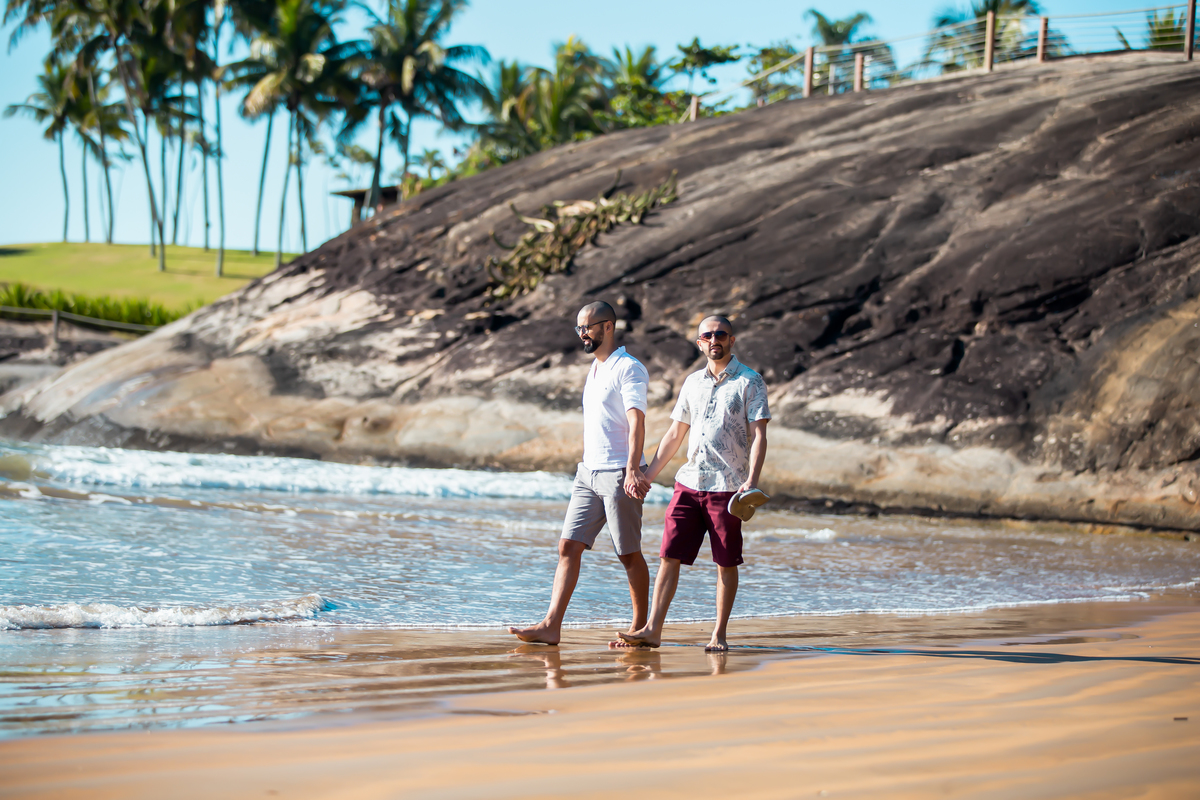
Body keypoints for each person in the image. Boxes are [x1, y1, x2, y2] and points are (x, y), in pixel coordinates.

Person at [617, 314, 770, 652]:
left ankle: (719, 634)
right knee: (669, 555)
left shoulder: (750, 381)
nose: (714, 339)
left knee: (725, 562)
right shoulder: (691, 382)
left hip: (728, 487)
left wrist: (751, 481)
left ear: (732, 340)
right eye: (708, 335)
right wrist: (647, 476)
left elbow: (759, 435)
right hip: (688, 484)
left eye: (721, 334)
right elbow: (674, 434)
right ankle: (652, 629)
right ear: (699, 343)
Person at [508, 301, 652, 645]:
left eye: (587, 327)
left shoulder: (628, 368)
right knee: (568, 546)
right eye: (579, 328)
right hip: (588, 473)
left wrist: (632, 469)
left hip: (619, 473)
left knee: (627, 552)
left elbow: (637, 421)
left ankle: (641, 628)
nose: (582, 334)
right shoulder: (596, 367)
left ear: (608, 327)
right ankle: (550, 625)